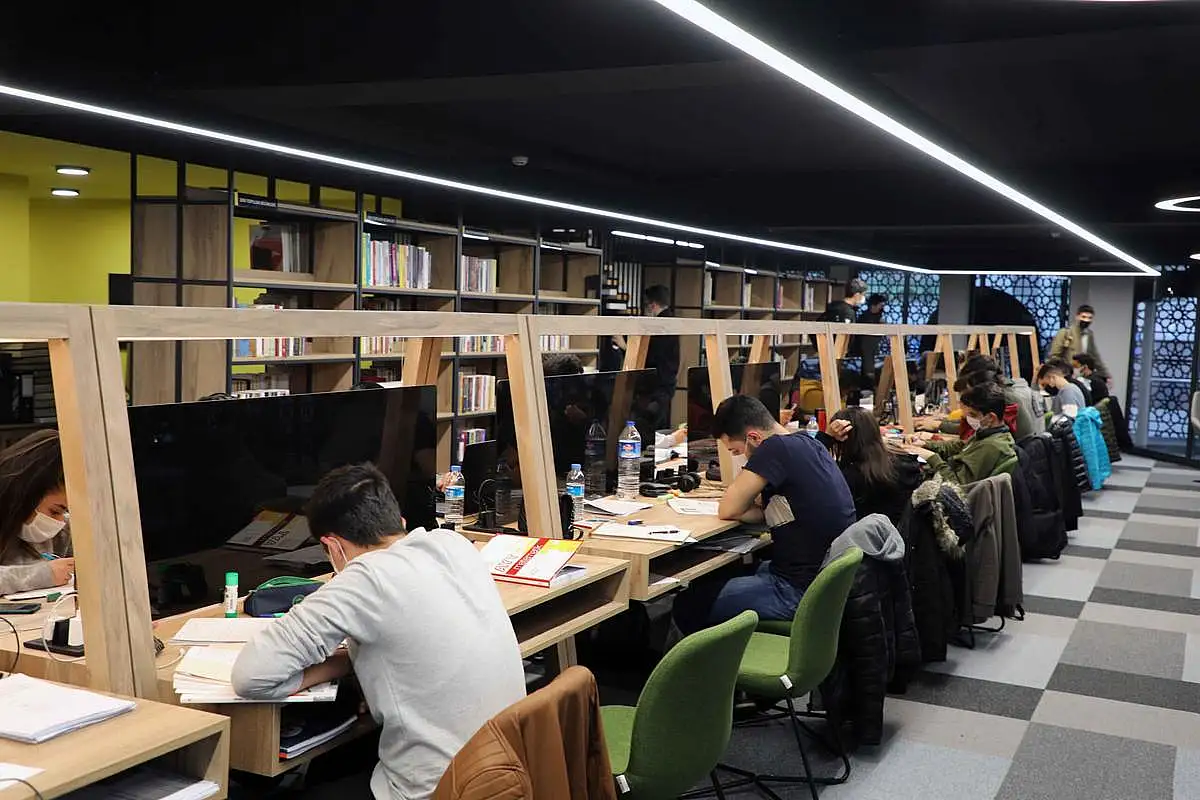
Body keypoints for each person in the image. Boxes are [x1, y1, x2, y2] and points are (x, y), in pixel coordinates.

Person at [232, 463, 525, 800]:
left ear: (333, 547)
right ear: (399, 522)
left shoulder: (363, 579)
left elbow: (250, 676)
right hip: (503, 777)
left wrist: (340, 664)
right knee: (337, 761)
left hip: (434, 791)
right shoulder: (454, 544)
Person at [688, 395, 855, 627]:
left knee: (690, 603)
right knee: (716, 577)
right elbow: (770, 511)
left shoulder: (774, 448)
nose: (740, 457)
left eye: (736, 451)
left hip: (796, 590)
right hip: (821, 581)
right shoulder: (810, 443)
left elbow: (728, 509)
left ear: (754, 438)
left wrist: (741, 505)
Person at [817, 406, 924, 526]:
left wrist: (825, 438)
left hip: (864, 536)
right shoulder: (905, 463)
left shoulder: (849, 478)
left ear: (844, 439)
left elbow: (812, 476)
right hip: (898, 534)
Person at [0, 430, 75, 596]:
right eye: (55, 511)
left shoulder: (63, 531)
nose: (60, 521)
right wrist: (43, 575)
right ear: (26, 493)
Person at [906, 382, 1018, 484]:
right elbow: (960, 446)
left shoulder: (991, 446)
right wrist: (925, 444)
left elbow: (956, 485)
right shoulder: (988, 434)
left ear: (991, 417)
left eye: (973, 415)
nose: (969, 419)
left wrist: (932, 458)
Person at [611, 285, 679, 432]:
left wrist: (625, 346)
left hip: (657, 388)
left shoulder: (660, 326)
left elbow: (651, 357)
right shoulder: (670, 321)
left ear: (653, 305)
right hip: (665, 385)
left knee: (646, 428)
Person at [1051, 304, 1109, 382]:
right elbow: (1054, 357)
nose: (1086, 320)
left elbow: (1095, 357)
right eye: (1083, 317)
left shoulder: (1089, 335)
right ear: (1077, 317)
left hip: (1083, 376)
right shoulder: (1065, 333)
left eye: (1089, 318)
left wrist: (1105, 374)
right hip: (1066, 376)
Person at [856, 293, 888, 385]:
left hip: (876, 347)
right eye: (880, 305)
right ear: (873, 305)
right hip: (866, 347)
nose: (881, 307)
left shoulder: (880, 316)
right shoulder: (864, 317)